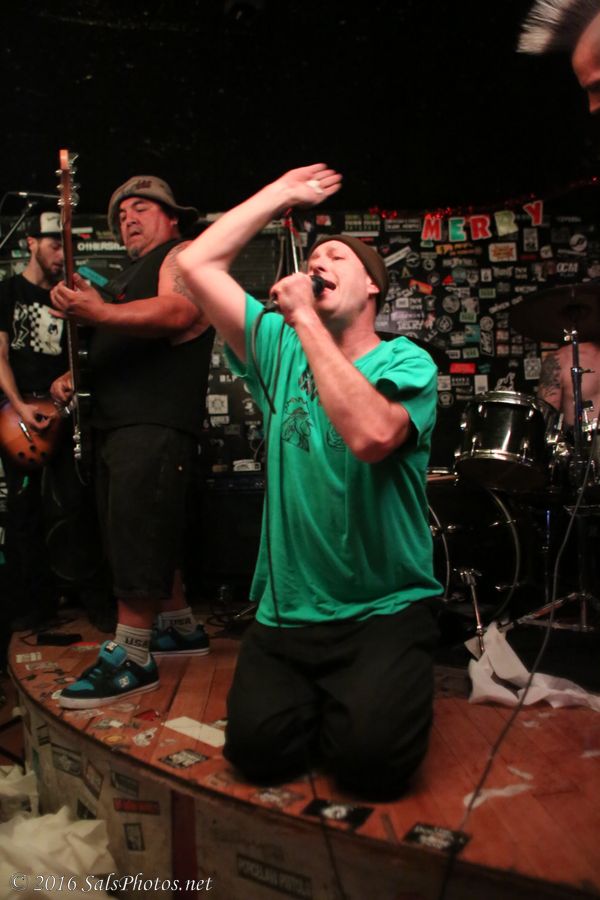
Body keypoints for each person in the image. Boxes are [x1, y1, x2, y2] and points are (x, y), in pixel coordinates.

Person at [177, 164, 441, 799]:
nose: (320, 261)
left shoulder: (406, 361)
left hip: (384, 606)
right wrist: (279, 195)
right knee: (256, 754)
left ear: (372, 286)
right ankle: (338, 699)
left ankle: (368, 695)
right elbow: (196, 265)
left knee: (372, 768)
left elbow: (371, 436)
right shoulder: (277, 345)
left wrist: (304, 322)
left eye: (337, 257)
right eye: (315, 255)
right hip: (290, 609)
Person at [50, 176, 214, 709]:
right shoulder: (126, 279)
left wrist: (99, 312)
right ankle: (179, 627)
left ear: (172, 216)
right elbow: (118, 338)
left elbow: (180, 313)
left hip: (154, 418)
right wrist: (75, 372)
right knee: (141, 528)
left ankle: (133, 656)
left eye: (140, 208)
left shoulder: (183, 254)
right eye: (121, 216)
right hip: (119, 421)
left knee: (136, 532)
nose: (128, 220)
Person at [0, 212, 67, 633]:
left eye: (66, 247)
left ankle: (93, 599)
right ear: (31, 243)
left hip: (63, 415)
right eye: (54, 245)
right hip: (18, 420)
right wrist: (19, 406)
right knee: (24, 513)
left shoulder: (69, 296)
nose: (61, 255)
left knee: (77, 506)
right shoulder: (7, 292)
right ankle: (38, 605)